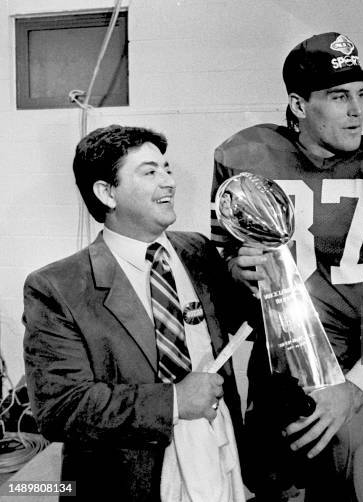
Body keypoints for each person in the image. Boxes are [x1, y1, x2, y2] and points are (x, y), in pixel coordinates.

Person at [210, 32, 363, 501]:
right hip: (281, 367)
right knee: (276, 485)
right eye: (338, 96)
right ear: (298, 105)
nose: (356, 110)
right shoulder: (246, 156)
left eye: (361, 94)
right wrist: (235, 268)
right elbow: (222, 267)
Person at [23, 125, 252, 502]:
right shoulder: (56, 287)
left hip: (217, 458)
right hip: (128, 482)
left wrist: (255, 281)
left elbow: (246, 326)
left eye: (167, 168)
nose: (169, 182)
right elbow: (61, 408)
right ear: (106, 193)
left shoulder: (197, 251)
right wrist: (174, 400)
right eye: (150, 172)